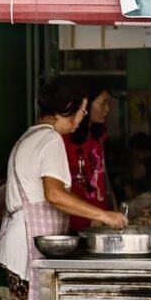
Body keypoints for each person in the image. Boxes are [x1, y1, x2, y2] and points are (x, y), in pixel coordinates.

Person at [0, 79, 128, 300]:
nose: (85, 116)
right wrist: (104, 215)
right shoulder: (52, 139)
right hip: (27, 245)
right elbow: (54, 195)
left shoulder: (30, 135)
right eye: (83, 109)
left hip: (19, 243)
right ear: (68, 109)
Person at [63, 84, 113, 230]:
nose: (107, 109)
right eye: (103, 103)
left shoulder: (98, 137)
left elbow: (104, 180)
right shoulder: (63, 140)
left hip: (100, 219)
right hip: (75, 223)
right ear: (86, 104)